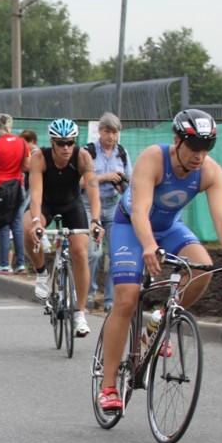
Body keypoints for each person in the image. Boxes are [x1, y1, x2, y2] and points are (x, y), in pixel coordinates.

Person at [97, 109, 222, 410]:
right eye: (194, 147)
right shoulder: (153, 158)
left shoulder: (210, 172)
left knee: (202, 270)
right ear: (177, 141)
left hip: (168, 227)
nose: (199, 155)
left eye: (206, 148)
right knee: (126, 300)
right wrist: (148, 245)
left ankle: (160, 321)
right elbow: (139, 211)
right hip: (130, 225)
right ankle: (109, 385)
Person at [23, 118, 101, 337]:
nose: (66, 147)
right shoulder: (39, 157)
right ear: (52, 142)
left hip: (71, 204)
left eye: (70, 142)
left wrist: (95, 221)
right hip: (45, 204)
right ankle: (40, 273)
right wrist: (37, 222)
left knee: (80, 252)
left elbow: (94, 193)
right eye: (61, 143)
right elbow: (35, 195)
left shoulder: (83, 157)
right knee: (28, 224)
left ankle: (80, 314)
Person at [82, 112, 133, 312]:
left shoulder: (122, 153)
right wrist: (104, 177)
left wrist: (121, 184)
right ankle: (89, 294)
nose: (111, 136)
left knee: (116, 253)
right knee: (93, 254)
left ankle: (111, 299)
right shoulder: (88, 153)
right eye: (108, 131)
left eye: (115, 132)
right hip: (89, 204)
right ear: (100, 131)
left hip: (113, 206)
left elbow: (128, 183)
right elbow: (79, 182)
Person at [0, 113, 30, 274]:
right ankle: (21, 264)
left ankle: (4, 264)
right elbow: (27, 166)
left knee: (3, 225)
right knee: (17, 225)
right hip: (18, 186)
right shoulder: (23, 143)